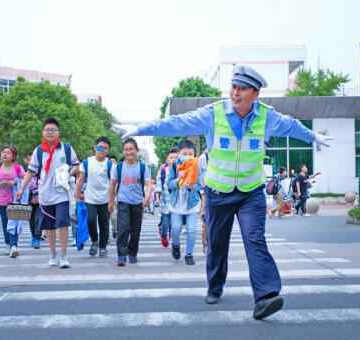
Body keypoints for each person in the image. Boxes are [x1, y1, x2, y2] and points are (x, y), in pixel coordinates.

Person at [119, 64, 332, 320]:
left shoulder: (267, 116)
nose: (235, 93)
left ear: (255, 93)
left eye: (242, 89)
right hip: (218, 192)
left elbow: (292, 126)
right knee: (217, 244)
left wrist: (313, 137)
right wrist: (142, 129)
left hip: (250, 192)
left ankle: (266, 296)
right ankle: (215, 285)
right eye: (233, 87)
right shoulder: (213, 113)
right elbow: (177, 123)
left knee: (255, 239)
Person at [18, 117, 80, 268]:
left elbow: (77, 165)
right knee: (49, 226)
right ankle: (53, 254)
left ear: (58, 133)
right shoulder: (39, 151)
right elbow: (31, 171)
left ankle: (64, 256)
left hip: (62, 193)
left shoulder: (66, 148)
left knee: (62, 222)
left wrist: (68, 173)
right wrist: (22, 188)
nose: (50, 132)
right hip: (45, 194)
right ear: (43, 132)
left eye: (53, 130)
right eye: (47, 130)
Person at [107, 138, 151, 267]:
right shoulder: (118, 167)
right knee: (123, 228)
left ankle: (132, 253)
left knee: (135, 230)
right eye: (126, 149)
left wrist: (147, 197)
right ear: (123, 151)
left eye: (131, 149)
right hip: (123, 201)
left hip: (138, 202)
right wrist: (110, 201)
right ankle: (121, 255)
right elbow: (112, 185)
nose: (129, 152)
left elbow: (148, 184)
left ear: (137, 151)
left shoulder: (143, 167)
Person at [75, 136, 113, 258]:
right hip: (90, 198)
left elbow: (114, 183)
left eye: (105, 148)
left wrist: (113, 199)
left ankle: (102, 247)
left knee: (104, 224)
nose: (102, 150)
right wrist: (78, 193)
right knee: (90, 220)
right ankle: (94, 241)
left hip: (105, 199)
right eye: (100, 147)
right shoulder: (87, 162)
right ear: (95, 147)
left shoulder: (110, 164)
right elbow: (80, 179)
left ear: (108, 150)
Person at [167, 139, 203, 265]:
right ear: (179, 153)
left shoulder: (197, 166)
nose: (187, 156)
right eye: (184, 153)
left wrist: (192, 186)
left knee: (192, 230)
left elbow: (200, 185)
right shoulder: (174, 166)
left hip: (191, 204)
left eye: (190, 154)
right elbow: (169, 184)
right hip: (176, 204)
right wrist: (178, 181)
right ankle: (175, 245)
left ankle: (189, 254)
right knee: (176, 228)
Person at [0, 146, 25, 258]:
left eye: (8, 153)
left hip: (15, 200)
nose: (5, 155)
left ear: (13, 156)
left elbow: (25, 180)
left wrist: (15, 182)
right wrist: (1, 183)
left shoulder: (18, 168)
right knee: (5, 223)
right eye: (3, 152)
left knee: (14, 223)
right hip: (2, 200)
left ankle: (14, 245)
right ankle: (8, 244)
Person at [155, 148, 178, 247]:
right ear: (167, 159)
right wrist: (158, 197)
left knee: (175, 225)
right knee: (165, 223)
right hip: (165, 203)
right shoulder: (163, 170)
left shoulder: (181, 170)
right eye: (171, 157)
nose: (173, 159)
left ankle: (174, 242)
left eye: (176, 158)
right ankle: (164, 235)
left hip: (177, 203)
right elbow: (159, 184)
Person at [24, 152, 42, 249]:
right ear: (26, 161)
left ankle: (37, 237)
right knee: (31, 219)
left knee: (38, 218)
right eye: (29, 159)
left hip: (41, 197)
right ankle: (34, 237)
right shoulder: (24, 171)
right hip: (28, 197)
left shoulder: (42, 171)